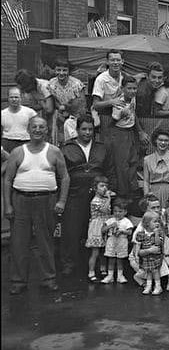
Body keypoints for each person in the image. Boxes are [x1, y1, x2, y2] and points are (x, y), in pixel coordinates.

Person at [3, 116, 69, 294]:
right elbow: (8, 180)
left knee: (45, 241)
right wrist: (8, 205)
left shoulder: (54, 151)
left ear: (46, 130)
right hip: (20, 201)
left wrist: (62, 201)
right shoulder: (18, 152)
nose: (37, 130)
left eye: (41, 127)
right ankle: (18, 281)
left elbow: (64, 177)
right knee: (18, 242)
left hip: (46, 201)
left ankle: (48, 279)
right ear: (28, 130)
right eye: (34, 127)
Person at [60, 114, 115, 276]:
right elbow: (60, 174)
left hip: (98, 196)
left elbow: (110, 171)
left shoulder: (102, 147)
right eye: (83, 129)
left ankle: (97, 263)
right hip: (75, 194)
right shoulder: (66, 147)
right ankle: (68, 263)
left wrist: (110, 191)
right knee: (72, 229)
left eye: (90, 129)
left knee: (97, 229)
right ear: (77, 130)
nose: (87, 132)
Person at [47, 59, 86, 146]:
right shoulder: (51, 84)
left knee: (75, 142)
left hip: (76, 116)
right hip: (60, 116)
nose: (61, 73)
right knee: (61, 142)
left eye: (64, 70)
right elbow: (54, 100)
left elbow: (82, 103)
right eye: (58, 70)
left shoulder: (76, 84)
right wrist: (60, 109)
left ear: (69, 71)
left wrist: (67, 109)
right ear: (55, 70)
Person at [143, 128, 169, 206]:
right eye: (160, 140)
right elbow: (146, 181)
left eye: (166, 140)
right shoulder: (147, 159)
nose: (163, 143)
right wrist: (147, 195)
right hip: (154, 192)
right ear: (155, 141)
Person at [86, 175, 114, 282]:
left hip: (105, 224)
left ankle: (103, 269)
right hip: (97, 227)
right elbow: (105, 210)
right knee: (95, 251)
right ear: (95, 188)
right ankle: (91, 272)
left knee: (104, 250)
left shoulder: (104, 199)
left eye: (106, 186)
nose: (104, 188)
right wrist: (109, 198)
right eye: (101, 186)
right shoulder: (95, 201)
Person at [101, 198, 134, 284]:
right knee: (111, 258)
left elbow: (130, 232)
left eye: (120, 211)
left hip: (122, 241)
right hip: (111, 240)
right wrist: (110, 226)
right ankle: (110, 275)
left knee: (120, 259)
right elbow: (103, 230)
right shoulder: (110, 220)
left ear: (125, 212)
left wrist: (122, 231)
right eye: (115, 211)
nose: (117, 213)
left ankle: (120, 275)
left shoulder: (126, 221)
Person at [136, 211, 164, 295]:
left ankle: (158, 286)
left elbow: (158, 243)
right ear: (147, 223)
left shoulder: (159, 233)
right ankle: (148, 286)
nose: (157, 223)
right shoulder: (142, 233)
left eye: (158, 221)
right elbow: (138, 245)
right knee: (148, 271)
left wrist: (156, 233)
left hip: (155, 257)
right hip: (146, 257)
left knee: (155, 271)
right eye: (155, 221)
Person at [1, 87, 37, 153]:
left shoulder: (31, 113)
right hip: (7, 142)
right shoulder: (2, 114)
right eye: (11, 97)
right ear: (8, 98)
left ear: (21, 98)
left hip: (26, 142)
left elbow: (36, 131)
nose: (14, 99)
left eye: (16, 97)